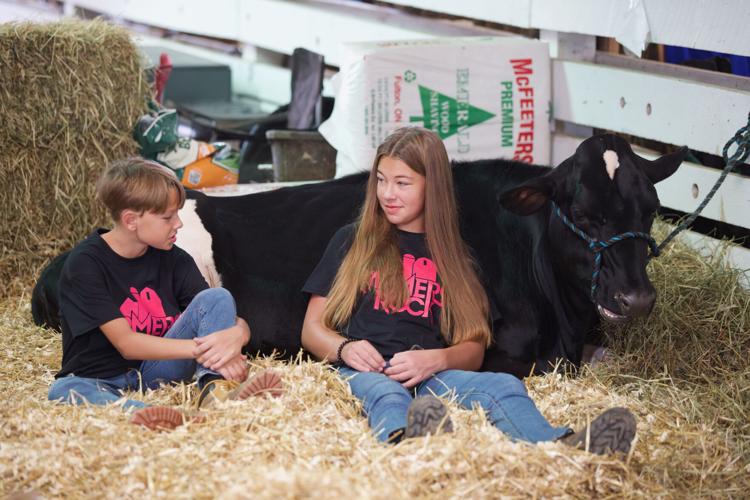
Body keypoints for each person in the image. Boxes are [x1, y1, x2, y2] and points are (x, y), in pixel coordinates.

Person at [301, 127, 636, 453]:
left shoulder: (457, 259)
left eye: (402, 183)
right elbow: (311, 329)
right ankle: (405, 444)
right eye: (381, 180)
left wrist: (438, 359)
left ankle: (559, 445)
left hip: (429, 375)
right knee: (386, 394)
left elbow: (474, 347)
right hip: (365, 372)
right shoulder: (352, 242)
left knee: (504, 384)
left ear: (433, 188)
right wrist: (345, 348)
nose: (388, 194)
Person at [47, 158, 281, 430]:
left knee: (218, 297)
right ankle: (155, 414)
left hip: (156, 370)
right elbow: (127, 343)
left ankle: (216, 393)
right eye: (168, 217)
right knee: (65, 390)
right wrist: (210, 350)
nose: (178, 224)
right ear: (131, 220)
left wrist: (238, 336)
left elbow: (213, 312)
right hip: (98, 377)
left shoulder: (174, 258)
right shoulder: (86, 263)